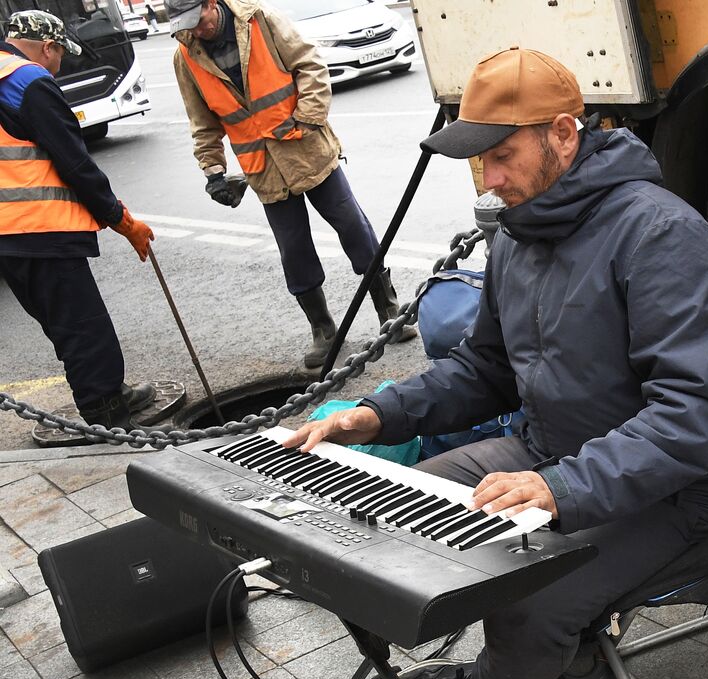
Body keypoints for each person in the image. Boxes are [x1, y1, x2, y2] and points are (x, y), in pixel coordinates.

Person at [285, 48, 708, 679]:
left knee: (527, 594)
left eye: (504, 156)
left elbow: (693, 417)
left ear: (565, 135)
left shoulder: (661, 235)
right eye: (481, 163)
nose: (491, 181)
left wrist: (556, 488)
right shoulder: (520, 233)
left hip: (689, 484)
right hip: (557, 447)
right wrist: (377, 415)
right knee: (396, 518)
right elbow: (484, 370)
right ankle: (538, 646)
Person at [167, 0, 413, 369]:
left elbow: (310, 65)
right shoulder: (185, 56)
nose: (194, 30)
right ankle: (323, 329)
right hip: (263, 168)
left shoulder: (260, 20)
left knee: (353, 227)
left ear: (210, 4)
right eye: (184, 24)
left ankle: (387, 306)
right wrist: (213, 171)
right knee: (293, 250)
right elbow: (201, 121)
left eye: (196, 19)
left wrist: (309, 119)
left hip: (308, 150)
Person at [0, 9, 157, 430]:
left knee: (63, 327)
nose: (59, 64)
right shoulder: (29, 82)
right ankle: (106, 413)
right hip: (40, 228)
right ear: (48, 47)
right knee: (85, 328)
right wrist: (123, 222)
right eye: (59, 55)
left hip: (8, 237)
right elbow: (75, 163)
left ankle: (106, 395)